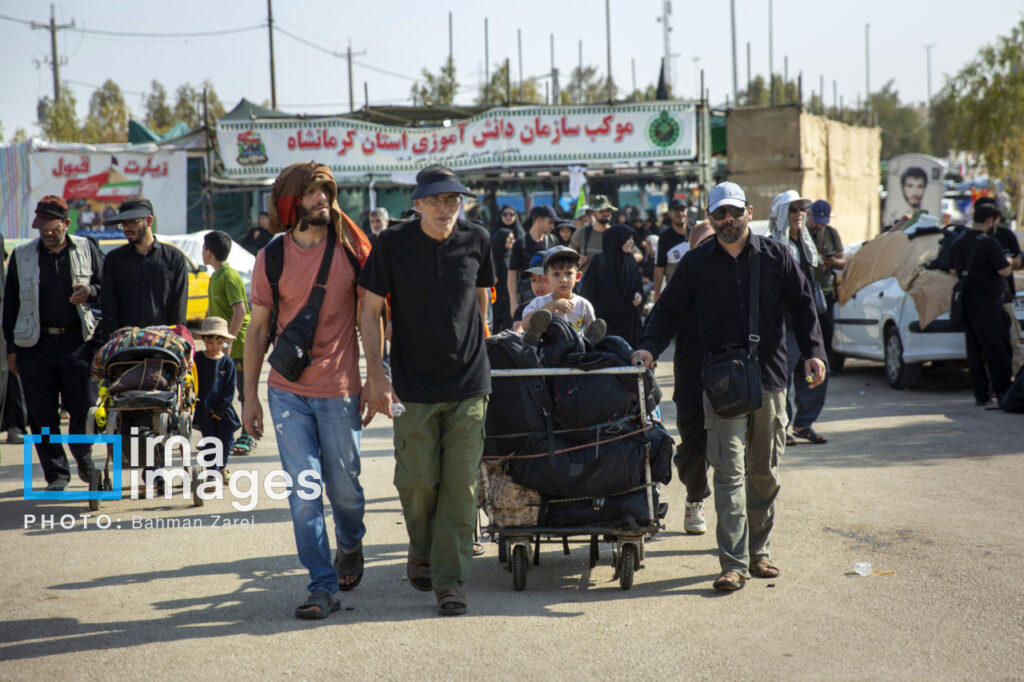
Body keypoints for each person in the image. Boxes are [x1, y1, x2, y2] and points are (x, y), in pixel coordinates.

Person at [633, 181, 826, 593]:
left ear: (749, 212)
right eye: (719, 213)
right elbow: (667, 311)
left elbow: (803, 306)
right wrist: (649, 347)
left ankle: (760, 552)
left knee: (764, 472)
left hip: (770, 379)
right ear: (709, 217)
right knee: (729, 473)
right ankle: (733, 563)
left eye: (735, 212)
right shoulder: (696, 263)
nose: (728, 220)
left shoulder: (777, 256)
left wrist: (814, 352)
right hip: (721, 386)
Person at [359, 164, 494, 617]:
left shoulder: (478, 239)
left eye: (453, 199)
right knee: (416, 481)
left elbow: (481, 296)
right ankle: (421, 545)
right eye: (435, 200)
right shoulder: (391, 243)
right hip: (412, 385)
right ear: (417, 204)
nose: (445, 207)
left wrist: (480, 343)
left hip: (469, 382)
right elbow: (369, 310)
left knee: (461, 487)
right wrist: (376, 376)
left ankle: (449, 581)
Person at [242, 161, 373, 619]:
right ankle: (321, 585)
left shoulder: (351, 251)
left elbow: (372, 318)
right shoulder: (271, 257)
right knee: (303, 495)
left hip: (340, 390)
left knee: (346, 493)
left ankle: (350, 543)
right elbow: (258, 330)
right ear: (291, 203)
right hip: (286, 392)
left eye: (327, 192)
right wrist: (249, 397)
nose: (324, 200)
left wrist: (377, 378)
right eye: (314, 193)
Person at [3, 195, 104, 491]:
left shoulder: (87, 248)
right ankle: (57, 474)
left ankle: (83, 456)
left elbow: (108, 286)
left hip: (79, 344)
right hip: (35, 346)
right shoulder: (22, 255)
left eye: (52, 227)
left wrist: (91, 291)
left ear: (66, 223)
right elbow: (10, 305)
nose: (46, 232)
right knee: (41, 414)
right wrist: (11, 349)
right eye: (41, 227)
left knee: (84, 408)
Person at [769, 191, 830, 445]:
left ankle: (803, 423)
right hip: (785, 325)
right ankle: (781, 425)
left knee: (812, 374)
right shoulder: (772, 247)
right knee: (782, 378)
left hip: (807, 323)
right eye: (792, 210)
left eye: (801, 209)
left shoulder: (807, 244)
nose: (798, 214)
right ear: (781, 214)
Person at [949, 202, 1013, 407]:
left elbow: (953, 271)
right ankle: (1003, 393)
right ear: (989, 221)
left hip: (967, 304)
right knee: (997, 351)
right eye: (996, 223)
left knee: (974, 352)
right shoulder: (989, 244)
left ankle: (981, 394)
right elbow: (1004, 271)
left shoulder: (957, 242)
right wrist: (1010, 262)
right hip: (989, 305)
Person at [100, 196, 189, 339]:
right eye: (123, 224)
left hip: (163, 342)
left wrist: (175, 340)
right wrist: (115, 338)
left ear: (149, 221)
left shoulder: (174, 258)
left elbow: (179, 308)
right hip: (125, 342)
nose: (126, 228)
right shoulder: (114, 260)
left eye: (132, 222)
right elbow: (109, 305)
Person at [202, 231, 254, 455]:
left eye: (203, 248)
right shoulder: (215, 277)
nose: (202, 252)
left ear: (209, 252)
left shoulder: (230, 276)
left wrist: (228, 343)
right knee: (220, 392)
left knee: (243, 392)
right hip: (222, 347)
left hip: (239, 345)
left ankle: (248, 435)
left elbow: (240, 311)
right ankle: (223, 434)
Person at [974, 197, 1023, 375]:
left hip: (1005, 297)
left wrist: (1009, 261)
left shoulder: (1005, 235)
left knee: (1013, 340)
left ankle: (1017, 380)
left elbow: (1018, 259)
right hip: (982, 300)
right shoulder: (971, 238)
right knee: (988, 344)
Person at [522, 246, 601, 345]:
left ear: (577, 276)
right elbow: (525, 325)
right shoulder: (539, 302)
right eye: (556, 274)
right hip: (546, 351)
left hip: (576, 351)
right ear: (546, 279)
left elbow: (591, 330)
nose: (563, 279)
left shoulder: (583, 305)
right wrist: (553, 305)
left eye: (568, 273)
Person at [579, 226, 643, 347]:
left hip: (628, 322)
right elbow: (588, 291)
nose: (631, 242)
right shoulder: (600, 260)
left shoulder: (630, 260)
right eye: (628, 238)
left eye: (632, 238)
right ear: (617, 239)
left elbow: (637, 284)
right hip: (604, 321)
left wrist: (639, 295)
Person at [193, 317, 240, 479]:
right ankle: (212, 473)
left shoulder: (227, 362)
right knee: (210, 442)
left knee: (227, 441)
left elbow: (229, 389)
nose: (214, 346)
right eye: (210, 342)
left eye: (219, 343)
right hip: (204, 411)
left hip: (224, 411)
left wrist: (219, 410)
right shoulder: (197, 359)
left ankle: (222, 466)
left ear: (224, 342)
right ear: (204, 340)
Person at [807, 200, 846, 370]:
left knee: (826, 329)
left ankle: (826, 364)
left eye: (822, 222)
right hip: (806, 292)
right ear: (809, 215)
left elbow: (844, 261)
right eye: (817, 221)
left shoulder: (830, 233)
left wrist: (832, 262)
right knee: (808, 329)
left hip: (825, 292)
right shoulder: (802, 233)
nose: (819, 226)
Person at [507, 205, 557, 318]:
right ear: (539, 221)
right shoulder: (520, 244)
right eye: (550, 222)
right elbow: (512, 273)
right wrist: (513, 302)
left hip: (550, 299)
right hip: (527, 299)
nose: (552, 226)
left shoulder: (553, 241)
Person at [653, 198, 690, 302]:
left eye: (682, 210)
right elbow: (659, 268)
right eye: (676, 211)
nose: (680, 213)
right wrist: (656, 295)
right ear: (669, 214)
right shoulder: (664, 239)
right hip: (676, 293)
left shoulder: (696, 231)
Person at [570, 194, 615, 274]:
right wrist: (577, 261)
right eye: (601, 211)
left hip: (611, 279)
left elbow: (637, 254)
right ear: (593, 213)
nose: (605, 213)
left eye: (608, 210)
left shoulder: (617, 233)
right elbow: (568, 256)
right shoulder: (582, 232)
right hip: (586, 279)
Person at [511, 252, 552, 333]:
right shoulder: (523, 309)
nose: (538, 285)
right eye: (533, 280)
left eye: (543, 279)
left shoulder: (570, 304)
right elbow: (518, 333)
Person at [490, 227, 517, 333]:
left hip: (508, 299)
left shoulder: (511, 256)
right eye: (509, 239)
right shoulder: (491, 256)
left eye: (513, 239)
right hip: (494, 300)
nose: (512, 241)